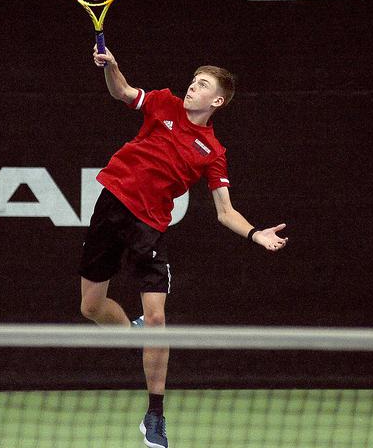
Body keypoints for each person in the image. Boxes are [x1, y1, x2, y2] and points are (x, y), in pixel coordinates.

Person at [79, 46, 289, 448]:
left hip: (150, 227)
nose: (192, 88)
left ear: (218, 101)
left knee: (157, 320)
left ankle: (154, 415)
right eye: (193, 82)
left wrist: (255, 233)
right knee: (90, 306)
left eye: (203, 85)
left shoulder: (213, 153)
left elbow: (225, 212)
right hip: (112, 207)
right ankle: (129, 333)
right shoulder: (163, 104)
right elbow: (121, 91)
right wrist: (113, 66)